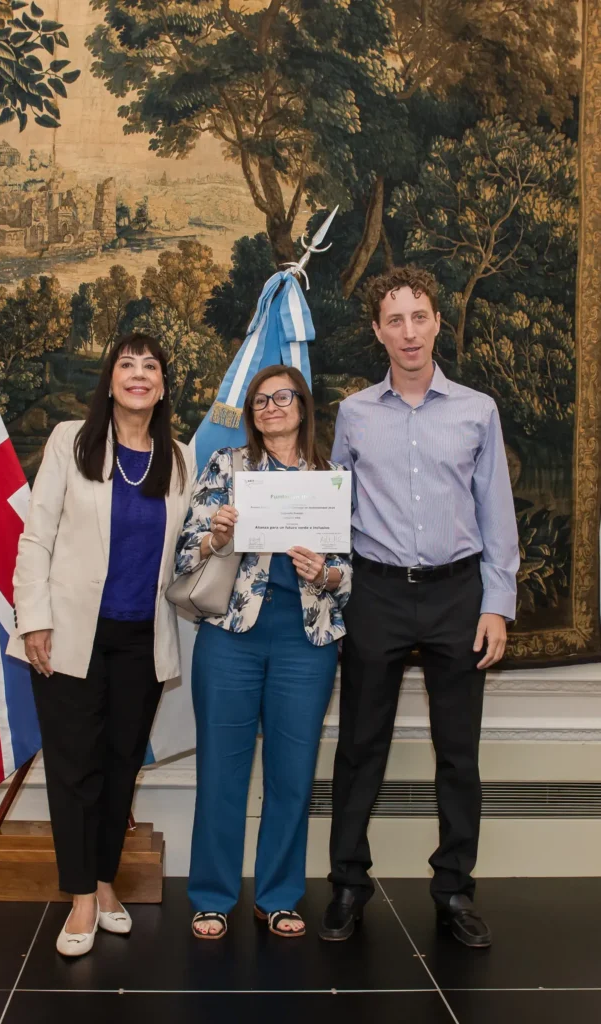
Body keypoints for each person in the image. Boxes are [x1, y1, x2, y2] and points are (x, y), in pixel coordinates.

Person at [321, 265, 520, 949]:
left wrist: (496, 604)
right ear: (377, 331)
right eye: (394, 320)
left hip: (456, 595)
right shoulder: (353, 414)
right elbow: (335, 511)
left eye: (419, 317)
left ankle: (454, 888)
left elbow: (496, 514)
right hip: (375, 593)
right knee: (359, 747)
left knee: (458, 752)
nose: (408, 332)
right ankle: (347, 885)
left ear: (436, 323)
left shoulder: (477, 411)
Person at [13, 333, 196, 957]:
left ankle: (104, 880)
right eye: (127, 364)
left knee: (121, 767)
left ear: (162, 387)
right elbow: (36, 537)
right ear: (111, 380)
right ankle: (82, 898)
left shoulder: (180, 459)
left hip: (143, 640)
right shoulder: (71, 441)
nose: (139, 374)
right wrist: (34, 620)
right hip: (69, 635)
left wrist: (220, 535)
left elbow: (189, 550)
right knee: (75, 771)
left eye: (150, 367)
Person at [175, 365, 351, 940]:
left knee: (292, 775)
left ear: (303, 406)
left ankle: (278, 896)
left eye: (283, 397)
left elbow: (352, 572)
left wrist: (325, 574)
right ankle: (212, 897)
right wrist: (216, 537)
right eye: (260, 400)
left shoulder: (331, 478)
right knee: (220, 771)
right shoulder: (227, 467)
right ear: (250, 414)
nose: (271, 407)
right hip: (231, 636)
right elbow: (184, 553)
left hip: (306, 641)